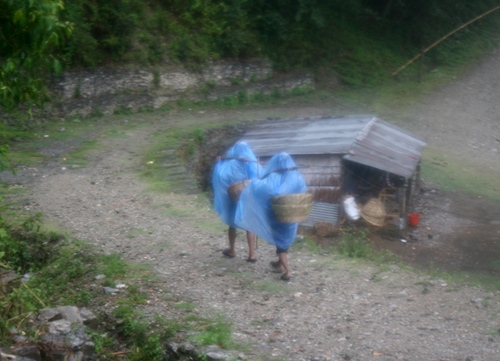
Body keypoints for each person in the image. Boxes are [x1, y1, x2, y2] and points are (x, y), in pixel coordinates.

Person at [235, 152, 307, 281]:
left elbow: (272, 190)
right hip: (293, 212)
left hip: (278, 212)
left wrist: (254, 183)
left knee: (280, 241)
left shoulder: (274, 177)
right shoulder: (296, 176)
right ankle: (278, 264)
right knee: (284, 239)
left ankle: (287, 271)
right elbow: (303, 189)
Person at [212, 142, 262, 262]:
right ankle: (252, 254)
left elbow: (220, 176)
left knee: (232, 224)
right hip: (247, 198)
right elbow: (258, 180)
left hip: (233, 197)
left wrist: (219, 163)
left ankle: (232, 249)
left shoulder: (229, 164)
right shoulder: (253, 163)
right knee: (249, 225)